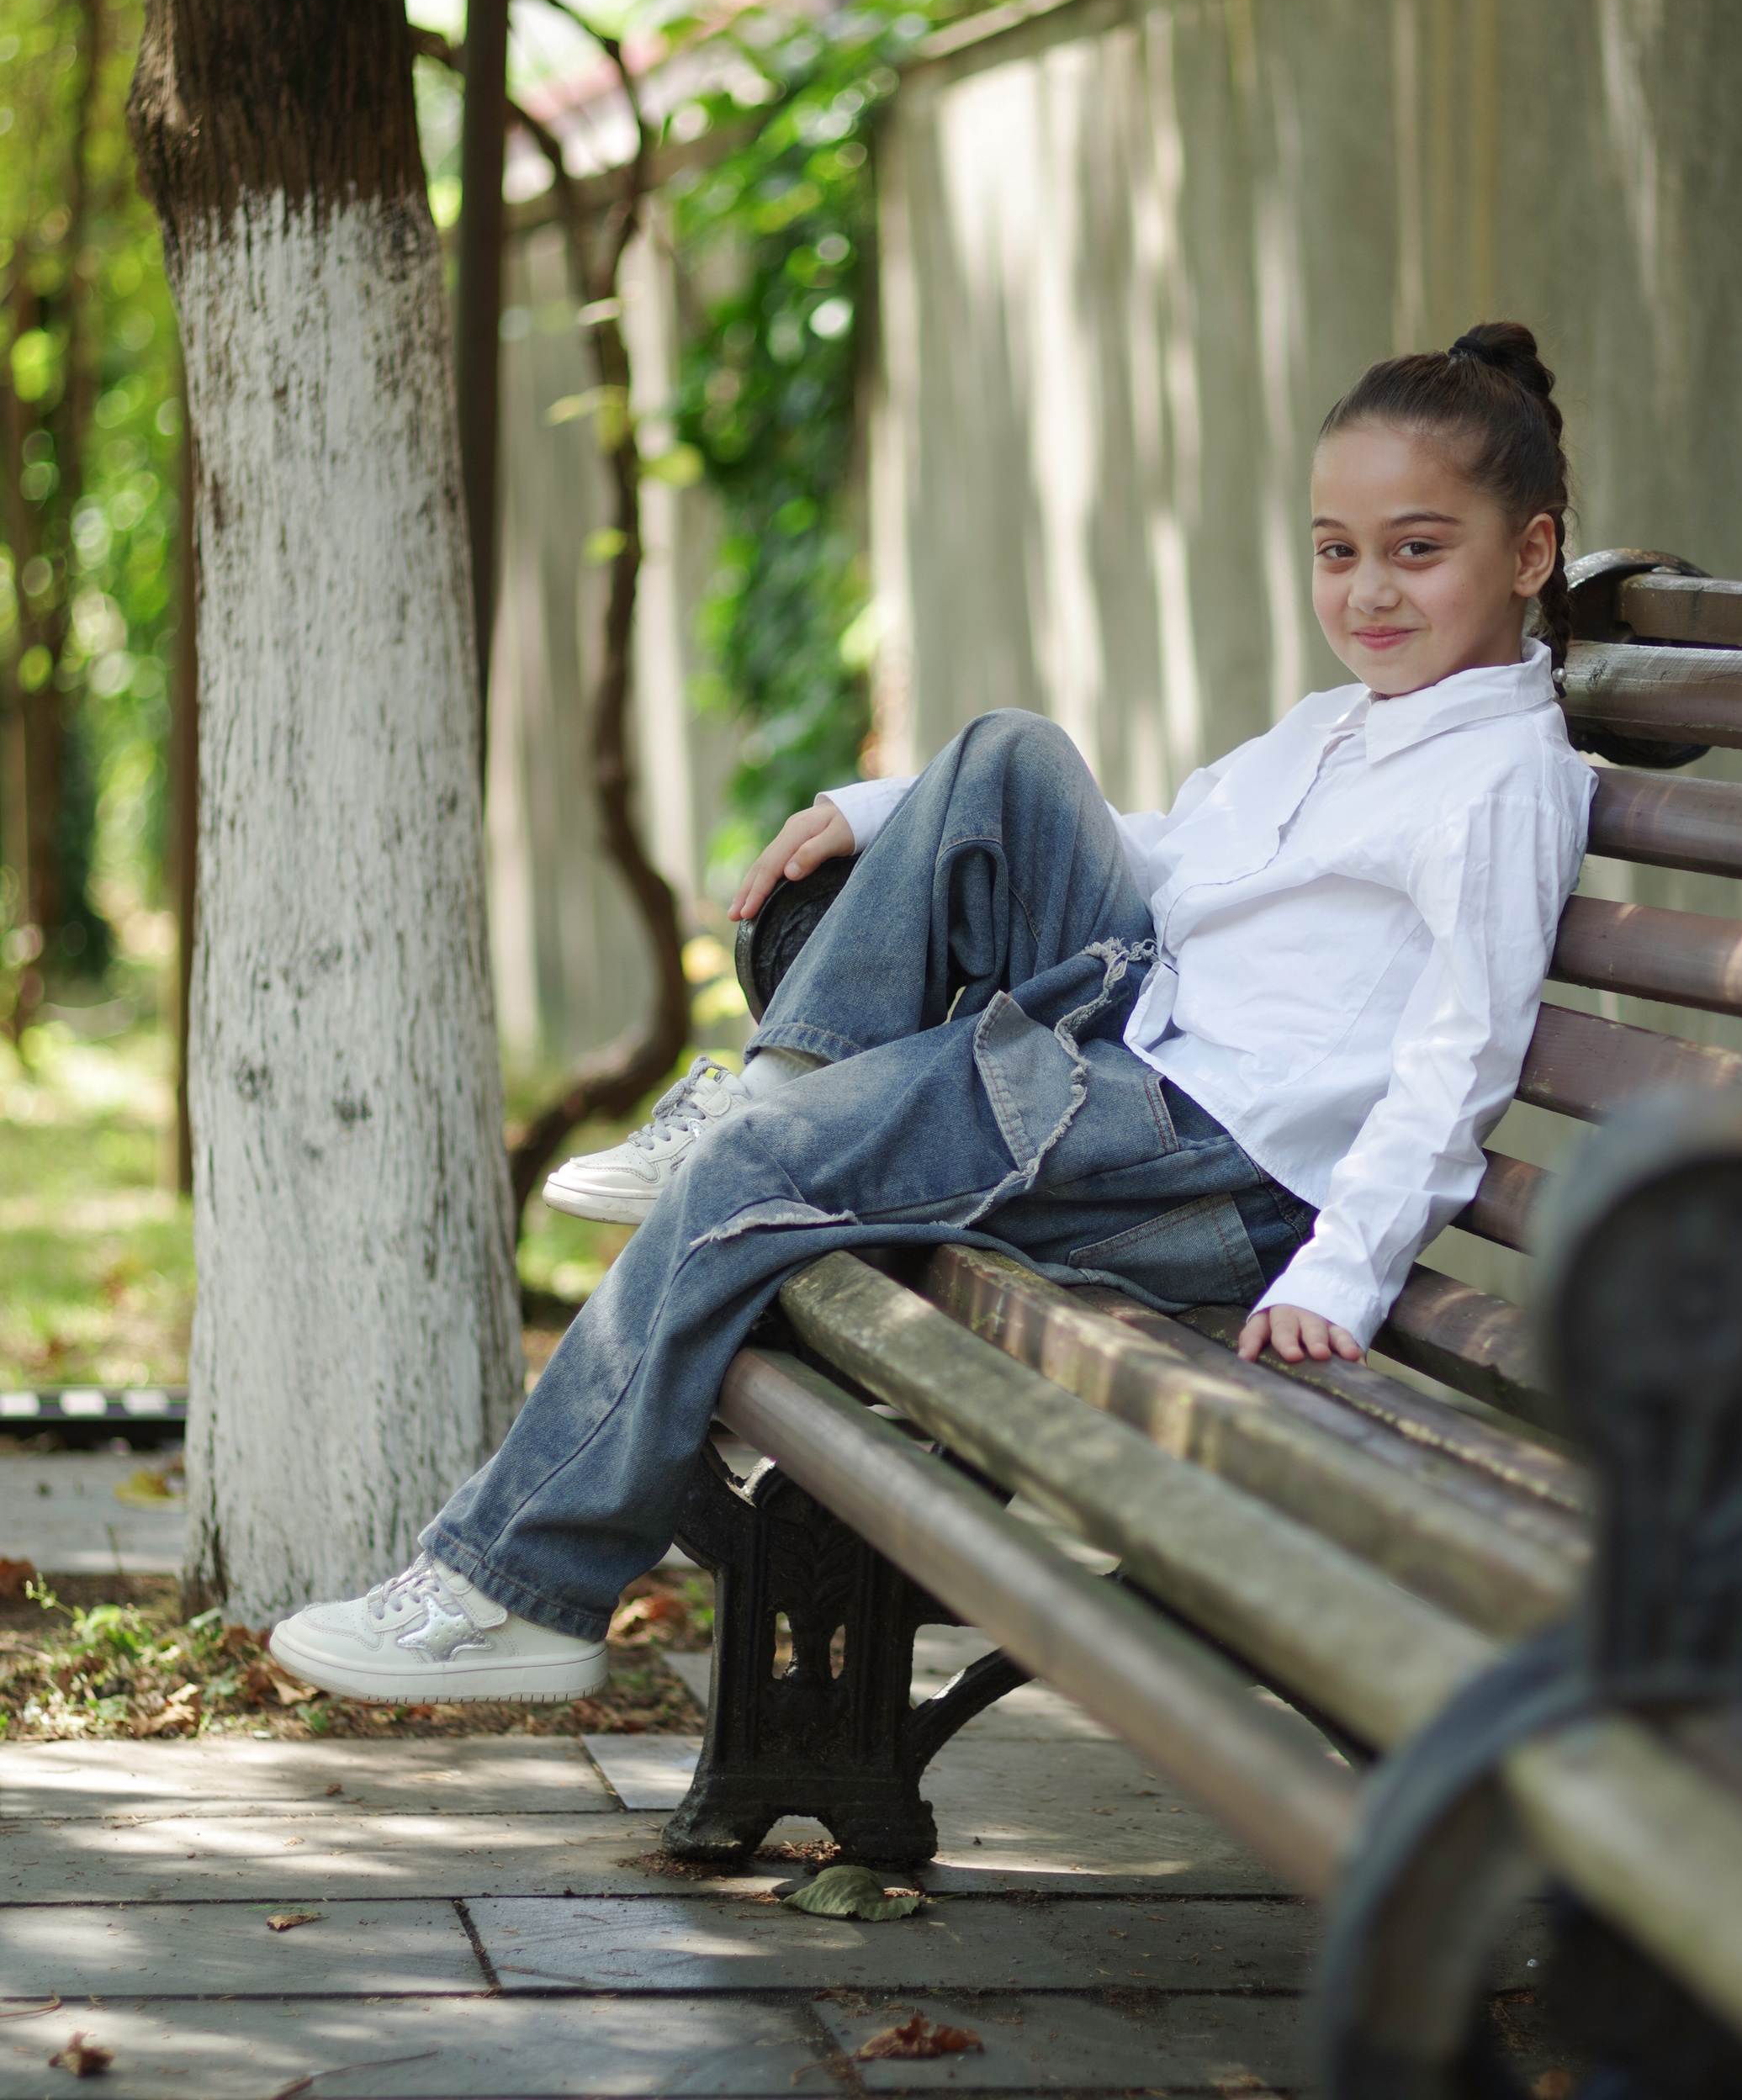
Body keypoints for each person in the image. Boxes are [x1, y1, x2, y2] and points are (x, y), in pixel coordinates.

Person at [268, 323, 1596, 1704]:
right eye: (1338, 551)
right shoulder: (1339, 725)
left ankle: (516, 1592)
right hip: (1142, 1045)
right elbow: (1169, 858)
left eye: (1417, 550)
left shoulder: (1501, 779)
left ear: (1530, 552)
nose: (1369, 592)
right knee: (1008, 753)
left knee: (753, 1181)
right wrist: (877, 810)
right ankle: (784, 1085)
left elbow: (1463, 1054)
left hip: (1219, 1153)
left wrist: (1345, 1269)